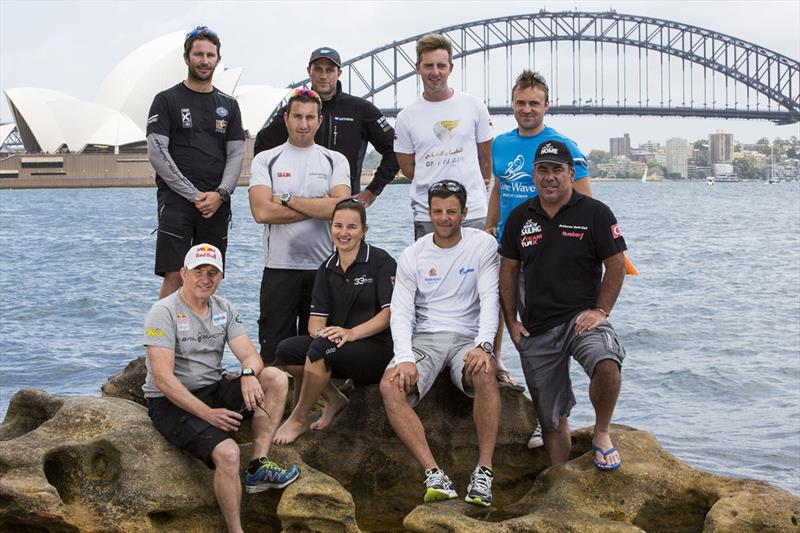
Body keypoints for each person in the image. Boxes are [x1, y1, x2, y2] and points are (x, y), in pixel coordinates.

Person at [143, 243, 300, 533]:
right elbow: (163, 379)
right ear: (183, 273)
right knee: (228, 454)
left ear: (221, 276)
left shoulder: (224, 308)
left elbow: (251, 356)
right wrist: (208, 414)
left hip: (212, 388)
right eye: (199, 271)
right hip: (170, 401)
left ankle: (258, 467)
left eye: (213, 272)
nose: (206, 278)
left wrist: (249, 373)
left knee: (276, 378)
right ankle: (235, 529)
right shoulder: (162, 312)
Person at [498, 141, 627, 472]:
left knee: (607, 364)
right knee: (552, 420)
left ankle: (601, 432)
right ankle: (559, 481)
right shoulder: (519, 217)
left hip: (582, 319)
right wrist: (511, 323)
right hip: (538, 326)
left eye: (557, 170)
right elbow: (508, 271)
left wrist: (601, 311)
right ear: (534, 175)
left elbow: (616, 264)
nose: (550, 177)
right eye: (543, 170)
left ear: (571, 173)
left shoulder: (595, 213)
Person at [485, 69, 592, 447]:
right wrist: (489, 225)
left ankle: (553, 415)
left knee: (543, 331)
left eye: (534, 103)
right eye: (520, 102)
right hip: (509, 243)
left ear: (547, 105)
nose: (526, 109)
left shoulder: (563, 144)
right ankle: (497, 362)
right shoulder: (500, 144)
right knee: (502, 305)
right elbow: (499, 187)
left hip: (548, 248)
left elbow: (586, 200)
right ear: (511, 104)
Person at [380, 180, 501, 507]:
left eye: (451, 211)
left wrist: (485, 346)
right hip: (427, 338)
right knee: (390, 385)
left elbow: (491, 299)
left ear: (464, 213)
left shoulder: (483, 246)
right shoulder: (413, 254)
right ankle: (434, 473)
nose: (444, 218)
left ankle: (484, 471)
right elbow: (401, 311)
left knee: (485, 374)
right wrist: (404, 357)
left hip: (468, 338)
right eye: (437, 211)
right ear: (428, 212)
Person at [272, 199, 397, 444]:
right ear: (330, 228)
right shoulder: (327, 268)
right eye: (338, 226)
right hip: (338, 347)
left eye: (351, 227)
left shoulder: (381, 261)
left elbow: (389, 314)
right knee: (286, 350)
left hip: (376, 350)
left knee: (320, 349)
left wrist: (350, 333)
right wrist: (323, 335)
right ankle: (334, 398)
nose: (344, 232)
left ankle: (298, 417)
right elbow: (315, 321)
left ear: (364, 230)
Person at [248, 88, 351, 364]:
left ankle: (311, 403)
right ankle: (275, 403)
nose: (303, 124)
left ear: (320, 120)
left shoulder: (335, 160)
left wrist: (286, 200)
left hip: (323, 269)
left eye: (309, 117)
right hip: (279, 268)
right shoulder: (265, 159)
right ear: (286, 119)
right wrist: (319, 206)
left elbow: (341, 208)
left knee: (318, 348)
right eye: (297, 117)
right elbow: (261, 211)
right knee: (274, 347)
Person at [147, 25, 245, 299]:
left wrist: (220, 194)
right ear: (186, 57)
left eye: (210, 55)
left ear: (218, 58)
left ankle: (204, 337)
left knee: (209, 273)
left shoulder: (229, 105)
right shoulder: (166, 100)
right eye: (198, 54)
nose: (204, 60)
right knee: (174, 273)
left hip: (216, 204)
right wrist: (194, 195)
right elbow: (157, 153)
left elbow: (237, 154)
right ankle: (164, 338)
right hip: (178, 201)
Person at [254, 47, 399, 207]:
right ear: (309, 71)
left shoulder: (360, 109)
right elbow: (263, 145)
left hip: (345, 212)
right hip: (298, 208)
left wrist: (373, 189)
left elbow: (396, 149)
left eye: (330, 70)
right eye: (318, 69)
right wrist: (271, 189)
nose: (323, 76)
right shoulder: (292, 111)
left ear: (339, 73)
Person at [393, 33, 494, 239]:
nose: (435, 72)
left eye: (441, 66)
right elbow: (408, 168)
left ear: (451, 68)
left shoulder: (474, 106)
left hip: (472, 211)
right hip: (427, 213)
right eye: (429, 66)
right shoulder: (405, 117)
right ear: (418, 67)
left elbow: (487, 158)